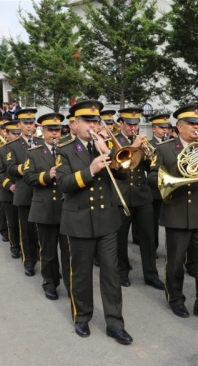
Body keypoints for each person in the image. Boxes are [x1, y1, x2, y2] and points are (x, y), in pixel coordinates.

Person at [55, 100, 133, 345]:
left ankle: (115, 323)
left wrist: (108, 152)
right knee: (81, 273)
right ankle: (82, 317)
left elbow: (123, 172)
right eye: (88, 121)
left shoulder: (106, 145)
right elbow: (64, 184)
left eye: (96, 121)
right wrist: (90, 170)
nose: (93, 125)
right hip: (78, 220)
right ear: (75, 124)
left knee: (111, 272)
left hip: (106, 220)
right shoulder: (65, 149)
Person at [147, 104, 198, 324]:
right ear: (180, 126)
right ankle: (176, 299)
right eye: (192, 124)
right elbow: (153, 178)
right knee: (174, 262)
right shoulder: (164, 149)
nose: (197, 127)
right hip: (176, 211)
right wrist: (178, 177)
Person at [113, 107, 164, 290]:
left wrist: (149, 155)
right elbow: (114, 165)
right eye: (129, 124)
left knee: (148, 238)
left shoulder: (142, 142)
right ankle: (122, 271)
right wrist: (133, 147)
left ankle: (151, 274)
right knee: (120, 238)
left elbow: (152, 165)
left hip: (143, 195)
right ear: (121, 124)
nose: (133, 128)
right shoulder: (112, 142)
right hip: (122, 196)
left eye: (135, 124)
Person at [24, 113, 69, 300]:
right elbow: (28, 177)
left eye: (57, 130)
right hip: (45, 209)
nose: (55, 134)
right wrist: (47, 175)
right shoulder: (33, 153)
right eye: (50, 130)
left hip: (67, 209)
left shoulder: (68, 150)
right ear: (42, 131)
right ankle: (50, 282)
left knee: (68, 252)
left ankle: (70, 282)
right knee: (48, 251)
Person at [5, 108, 40, 276]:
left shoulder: (41, 141)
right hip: (25, 193)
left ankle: (40, 254)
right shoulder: (13, 146)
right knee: (26, 230)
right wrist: (28, 168)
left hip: (42, 191)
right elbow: (10, 169)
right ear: (18, 125)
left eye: (31, 123)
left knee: (40, 229)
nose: (28, 126)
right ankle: (29, 261)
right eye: (25, 123)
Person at [0, 121, 22, 258]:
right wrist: (9, 185)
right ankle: (14, 245)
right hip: (9, 191)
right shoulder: (1, 150)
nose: (17, 136)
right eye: (14, 134)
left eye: (19, 133)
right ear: (7, 134)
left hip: (25, 190)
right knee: (12, 222)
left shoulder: (27, 148)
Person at [148, 113, 172, 253]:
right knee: (153, 223)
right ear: (154, 129)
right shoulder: (150, 144)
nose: (165, 130)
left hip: (169, 189)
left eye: (167, 127)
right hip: (155, 190)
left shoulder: (169, 144)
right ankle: (153, 248)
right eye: (162, 128)